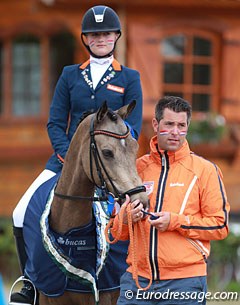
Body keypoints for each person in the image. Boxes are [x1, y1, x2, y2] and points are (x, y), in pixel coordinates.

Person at [10, 5, 143, 305]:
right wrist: (67, 155)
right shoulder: (71, 75)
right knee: (20, 212)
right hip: (66, 163)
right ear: (85, 39)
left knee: (134, 214)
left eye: (106, 33)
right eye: (94, 35)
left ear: (116, 36)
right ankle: (30, 282)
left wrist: (115, 160)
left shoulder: (129, 77)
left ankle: (129, 283)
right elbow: (56, 122)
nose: (100, 39)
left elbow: (132, 128)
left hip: (111, 166)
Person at [111, 96, 230, 305]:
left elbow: (220, 225)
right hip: (137, 281)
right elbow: (115, 232)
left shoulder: (205, 170)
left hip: (185, 282)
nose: (176, 132)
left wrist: (175, 221)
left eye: (181, 125)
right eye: (169, 124)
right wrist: (127, 216)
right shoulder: (136, 169)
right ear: (156, 124)